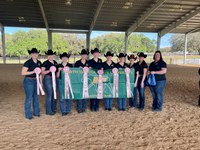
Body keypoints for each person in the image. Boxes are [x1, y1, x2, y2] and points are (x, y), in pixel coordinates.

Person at [21, 48, 42, 120]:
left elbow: (40, 74)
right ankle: (28, 114)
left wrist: (40, 83)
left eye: (36, 53)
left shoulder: (39, 62)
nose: (35, 54)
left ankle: (36, 112)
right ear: (31, 54)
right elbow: (23, 73)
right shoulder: (28, 62)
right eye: (33, 53)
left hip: (36, 81)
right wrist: (33, 72)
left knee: (36, 97)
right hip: (29, 81)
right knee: (29, 97)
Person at [41, 49, 58, 115]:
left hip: (54, 79)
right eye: (49, 55)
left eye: (51, 55)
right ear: (47, 56)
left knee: (54, 94)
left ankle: (53, 108)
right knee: (49, 94)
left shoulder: (55, 62)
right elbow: (42, 72)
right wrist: (49, 70)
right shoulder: (45, 63)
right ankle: (48, 111)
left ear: (53, 55)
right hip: (48, 78)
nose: (50, 56)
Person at [74, 49, 90, 113]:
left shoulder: (88, 63)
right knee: (79, 94)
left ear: (86, 56)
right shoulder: (77, 63)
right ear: (81, 55)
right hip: (79, 80)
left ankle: (84, 107)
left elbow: (91, 71)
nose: (84, 56)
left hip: (86, 80)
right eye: (83, 55)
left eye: (85, 55)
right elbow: (74, 72)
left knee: (85, 93)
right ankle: (79, 108)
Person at [88, 48, 102, 112]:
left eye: (97, 53)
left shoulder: (100, 61)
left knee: (98, 92)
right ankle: (92, 106)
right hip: (92, 79)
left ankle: (97, 105)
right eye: (95, 53)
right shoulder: (90, 61)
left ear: (98, 54)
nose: (96, 54)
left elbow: (102, 68)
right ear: (93, 54)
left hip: (99, 79)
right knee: (92, 92)